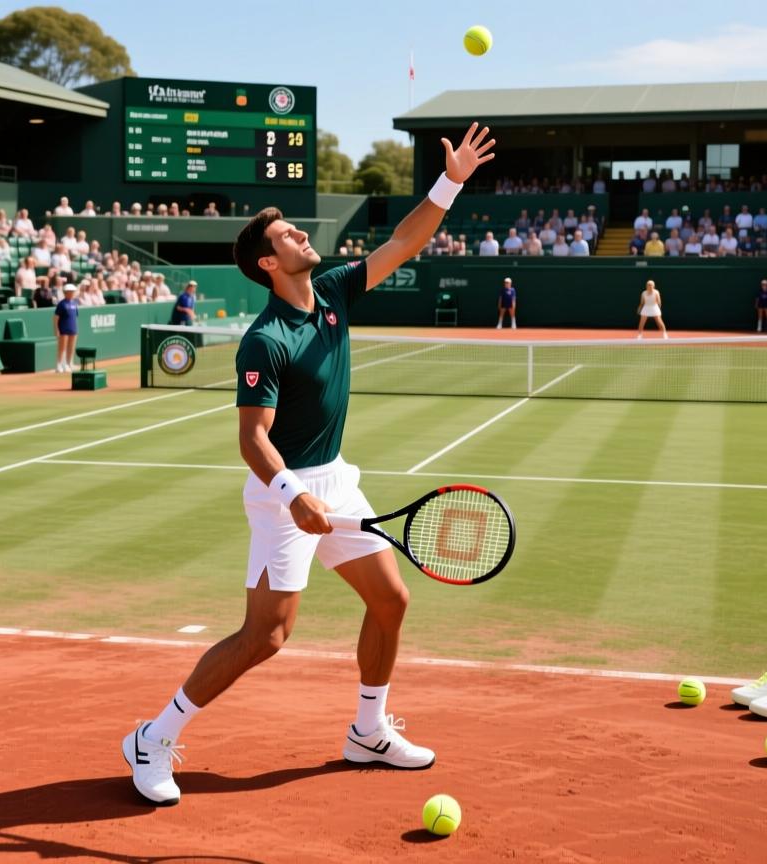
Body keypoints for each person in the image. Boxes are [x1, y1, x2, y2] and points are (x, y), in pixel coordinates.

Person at [121, 122, 495, 807]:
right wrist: (293, 495)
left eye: (297, 232)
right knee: (267, 635)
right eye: (287, 236)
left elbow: (404, 240)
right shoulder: (264, 341)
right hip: (279, 494)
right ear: (267, 263)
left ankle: (368, 730)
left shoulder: (333, 294)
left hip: (337, 479)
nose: (301, 237)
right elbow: (252, 440)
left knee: (391, 600)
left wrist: (452, 181)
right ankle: (153, 735)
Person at [54, 283, 80, 372]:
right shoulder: (61, 304)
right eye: (70, 292)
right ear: (66, 293)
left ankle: (69, 364)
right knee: (62, 348)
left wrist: (75, 328)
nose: (72, 293)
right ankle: (59, 365)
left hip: (73, 328)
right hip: (63, 328)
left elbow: (75, 316)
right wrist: (56, 329)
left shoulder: (75, 303)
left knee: (71, 347)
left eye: (73, 291)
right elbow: (56, 318)